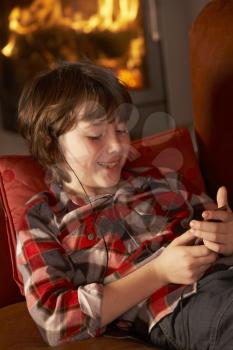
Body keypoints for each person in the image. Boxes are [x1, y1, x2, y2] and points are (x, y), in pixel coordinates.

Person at [16, 61, 233, 349]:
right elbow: (56, 320)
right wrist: (158, 272)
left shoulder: (161, 179)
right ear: (52, 144)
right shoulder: (43, 217)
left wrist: (227, 235)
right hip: (183, 305)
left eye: (120, 129)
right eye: (95, 136)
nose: (118, 146)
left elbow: (214, 228)